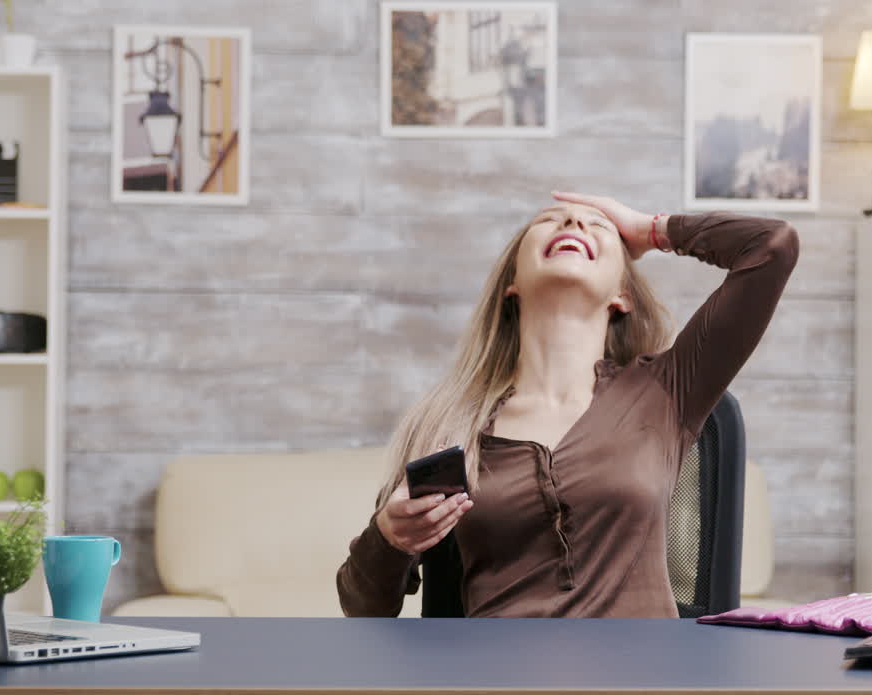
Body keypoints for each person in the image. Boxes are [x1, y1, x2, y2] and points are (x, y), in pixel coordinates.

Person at [336, 192, 799, 618]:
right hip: (498, 692)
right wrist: (390, 537)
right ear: (511, 284)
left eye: (597, 226)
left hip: (639, 691)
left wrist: (652, 230)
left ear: (623, 296)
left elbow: (771, 246)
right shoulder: (447, 420)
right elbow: (363, 610)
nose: (574, 219)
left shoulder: (666, 390)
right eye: (549, 220)